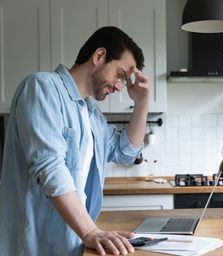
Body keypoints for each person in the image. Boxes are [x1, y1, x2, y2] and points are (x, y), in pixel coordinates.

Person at [0, 26, 149, 256]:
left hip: (71, 245)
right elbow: (50, 168)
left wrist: (142, 104)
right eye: (120, 75)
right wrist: (91, 231)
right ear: (99, 56)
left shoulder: (92, 115)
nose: (120, 87)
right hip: (33, 247)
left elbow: (125, 153)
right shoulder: (42, 88)